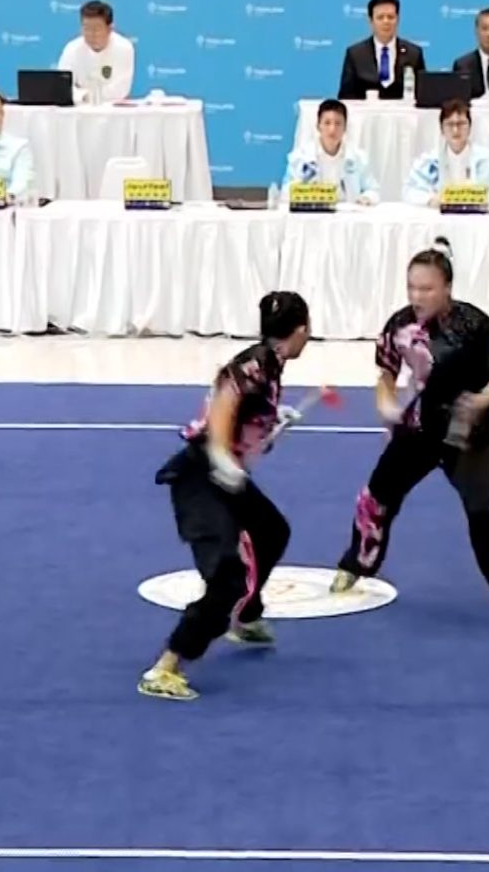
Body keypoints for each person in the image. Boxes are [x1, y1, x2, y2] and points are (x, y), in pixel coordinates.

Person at [330, 239, 489, 635]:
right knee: (376, 497)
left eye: (426, 288)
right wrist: (387, 406)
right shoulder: (399, 326)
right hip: (420, 426)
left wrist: (479, 402)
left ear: (447, 288)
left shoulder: (478, 328)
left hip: (466, 433)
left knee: (481, 515)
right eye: (411, 287)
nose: (417, 296)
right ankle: (357, 563)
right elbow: (386, 375)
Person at [139, 292, 312, 701]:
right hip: (202, 475)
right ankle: (166, 667)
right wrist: (220, 454)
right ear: (302, 329)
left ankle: (246, 617)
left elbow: (245, 420)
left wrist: (273, 422)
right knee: (227, 577)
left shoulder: (271, 365)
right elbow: (225, 399)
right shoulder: (255, 364)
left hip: (224, 475)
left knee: (272, 530)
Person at [403, 99, 489, 207]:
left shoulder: (488, 160)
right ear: (442, 129)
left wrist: (474, 198)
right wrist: (431, 199)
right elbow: (409, 191)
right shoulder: (428, 161)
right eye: (450, 124)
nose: (455, 130)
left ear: (470, 127)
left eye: (461, 124)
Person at [281, 99, 379, 205]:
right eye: (327, 123)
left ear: (345, 127)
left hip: (349, 212)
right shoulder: (300, 157)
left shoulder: (358, 158)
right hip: (313, 211)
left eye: (338, 124)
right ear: (318, 126)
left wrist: (366, 198)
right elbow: (286, 192)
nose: (332, 129)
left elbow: (373, 189)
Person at [338, 0, 425, 100]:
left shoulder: (413, 53)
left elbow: (422, 94)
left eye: (390, 17)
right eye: (380, 17)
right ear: (371, 21)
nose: (386, 22)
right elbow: (346, 96)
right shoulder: (355, 54)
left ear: (397, 19)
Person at [56, 0, 135, 103]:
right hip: (80, 107)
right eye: (86, 28)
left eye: (96, 29)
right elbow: (62, 86)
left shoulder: (124, 48)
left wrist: (92, 97)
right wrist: (83, 96)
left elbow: (121, 89)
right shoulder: (72, 49)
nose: (91, 34)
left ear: (110, 29)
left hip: (112, 108)